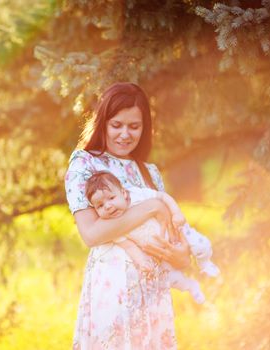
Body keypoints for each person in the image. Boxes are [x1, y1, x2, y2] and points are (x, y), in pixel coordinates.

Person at [65, 82, 209, 349]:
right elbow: (92, 234)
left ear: (145, 128)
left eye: (134, 126)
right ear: (103, 123)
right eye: (116, 125)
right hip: (113, 288)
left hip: (153, 291)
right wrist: (152, 207)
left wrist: (181, 257)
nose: (125, 134)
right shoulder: (85, 163)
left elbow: (171, 234)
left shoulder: (149, 172)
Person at [85, 170, 220, 305]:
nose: (108, 206)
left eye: (111, 198)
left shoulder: (138, 195)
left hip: (177, 232)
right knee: (169, 278)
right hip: (159, 253)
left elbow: (163, 197)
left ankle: (205, 263)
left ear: (123, 193)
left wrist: (176, 212)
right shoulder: (113, 228)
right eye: (100, 206)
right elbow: (129, 246)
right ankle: (191, 286)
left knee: (201, 245)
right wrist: (142, 261)